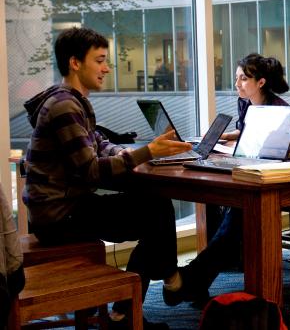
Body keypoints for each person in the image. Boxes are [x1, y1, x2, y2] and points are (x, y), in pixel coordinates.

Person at [23, 27, 193, 330]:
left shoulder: (71, 101)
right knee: (155, 210)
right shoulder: (64, 105)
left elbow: (100, 145)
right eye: (100, 60)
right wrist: (146, 153)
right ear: (75, 63)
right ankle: (165, 281)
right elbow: (90, 170)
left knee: (153, 206)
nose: (106, 68)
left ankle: (145, 297)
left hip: (62, 208)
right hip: (59, 217)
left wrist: (141, 154)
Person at [164, 53, 289, 307]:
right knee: (227, 213)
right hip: (248, 167)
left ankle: (193, 279)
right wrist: (224, 137)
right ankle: (196, 281)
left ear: (261, 82)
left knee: (234, 218)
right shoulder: (246, 103)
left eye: (243, 79)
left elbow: (271, 145)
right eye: (236, 79)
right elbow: (246, 131)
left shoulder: (278, 109)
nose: (237, 85)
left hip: (271, 176)